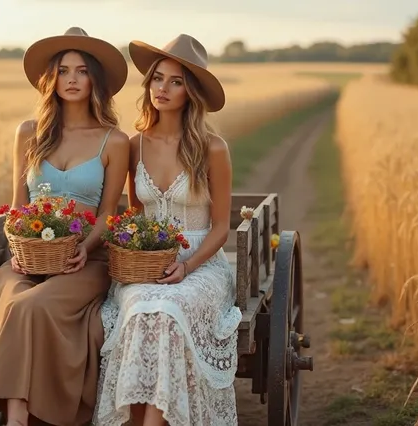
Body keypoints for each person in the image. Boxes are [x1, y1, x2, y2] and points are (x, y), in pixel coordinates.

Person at [0, 27, 130, 426]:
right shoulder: (29, 133)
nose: (73, 79)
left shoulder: (114, 140)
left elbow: (109, 214)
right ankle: (18, 416)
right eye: (63, 71)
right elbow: (18, 204)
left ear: (95, 79)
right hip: (29, 255)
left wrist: (84, 247)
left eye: (81, 71)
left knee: (32, 306)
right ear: (52, 79)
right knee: (13, 298)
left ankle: (16, 417)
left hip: (86, 259)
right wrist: (19, 247)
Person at [94, 34, 242, 426]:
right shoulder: (135, 145)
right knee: (144, 307)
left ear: (190, 91)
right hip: (147, 264)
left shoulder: (212, 149)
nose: (163, 88)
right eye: (158, 78)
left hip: (201, 263)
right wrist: (139, 256)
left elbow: (221, 229)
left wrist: (187, 267)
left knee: (171, 309)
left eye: (175, 81)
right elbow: (137, 214)